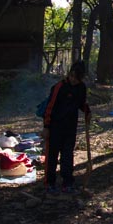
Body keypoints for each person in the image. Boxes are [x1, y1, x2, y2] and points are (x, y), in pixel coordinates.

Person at [42, 60, 91, 195]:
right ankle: (49, 183)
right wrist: (46, 127)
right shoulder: (59, 87)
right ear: (70, 73)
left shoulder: (81, 87)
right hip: (55, 126)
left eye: (77, 78)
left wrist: (87, 111)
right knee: (52, 155)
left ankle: (67, 182)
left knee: (67, 155)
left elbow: (82, 103)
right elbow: (49, 108)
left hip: (70, 127)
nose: (73, 80)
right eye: (72, 76)